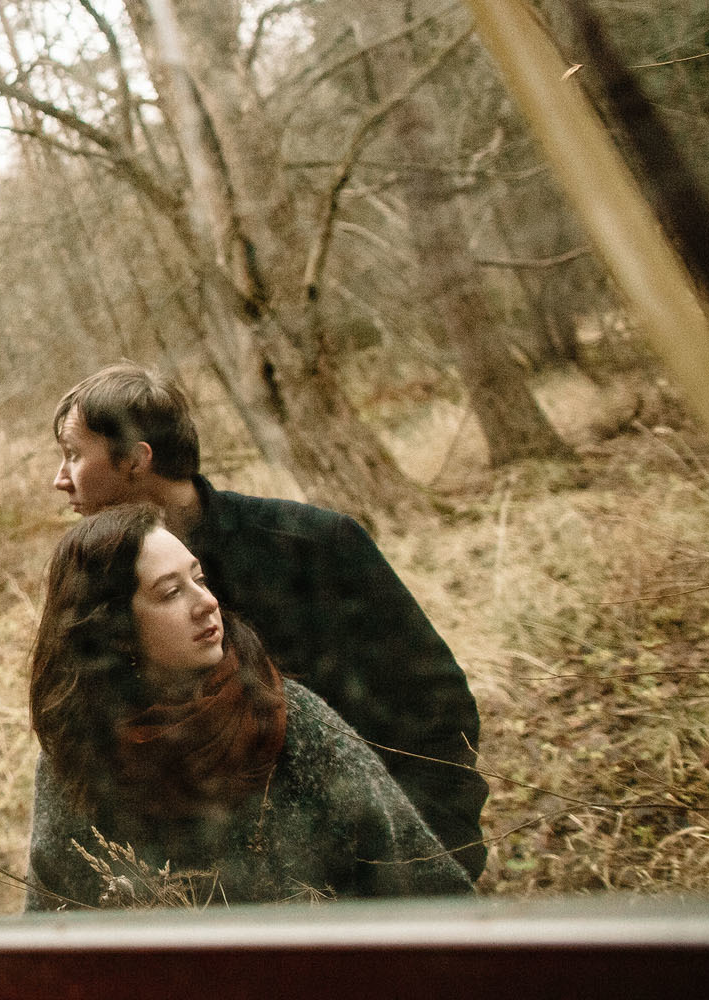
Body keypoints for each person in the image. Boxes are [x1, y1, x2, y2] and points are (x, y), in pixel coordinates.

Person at [49, 363, 488, 878]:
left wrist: (423, 861)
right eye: (169, 591)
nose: (60, 479)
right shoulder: (100, 591)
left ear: (135, 459)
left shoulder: (313, 547)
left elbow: (438, 712)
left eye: (73, 454)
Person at [25, 504, 475, 907]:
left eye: (199, 579)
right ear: (115, 629)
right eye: (171, 592)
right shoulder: (76, 756)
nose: (207, 603)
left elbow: (429, 886)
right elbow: (51, 935)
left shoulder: (286, 720)